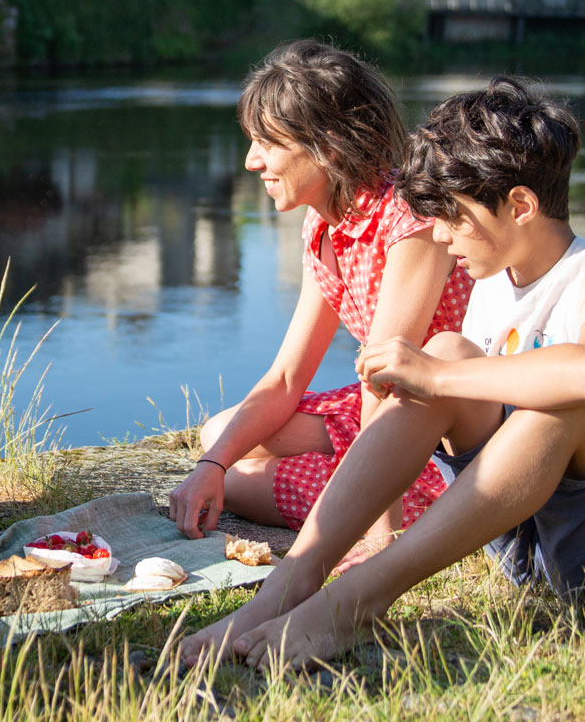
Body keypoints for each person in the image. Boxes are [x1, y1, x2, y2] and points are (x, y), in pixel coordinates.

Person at [199, 78, 585, 670]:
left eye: (453, 217)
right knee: (453, 349)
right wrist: (438, 370)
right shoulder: (491, 285)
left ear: (521, 206)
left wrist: (435, 376)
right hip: (522, 548)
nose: (437, 233)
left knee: (549, 407)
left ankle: (358, 599)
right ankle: (292, 584)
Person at [169, 41, 472, 573]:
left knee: (243, 479)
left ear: (328, 145)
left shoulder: (410, 221)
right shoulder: (324, 223)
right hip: (383, 409)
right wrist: (208, 467)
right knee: (219, 440)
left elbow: (387, 378)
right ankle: (349, 488)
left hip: (443, 428)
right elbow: (287, 376)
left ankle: (406, 507)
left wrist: (381, 539)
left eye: (268, 142)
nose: (251, 160)